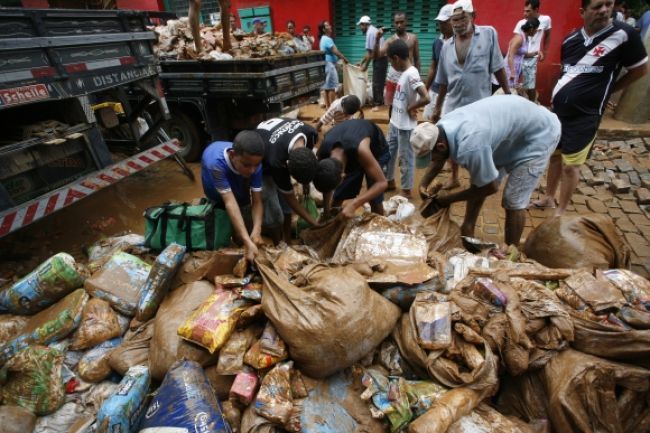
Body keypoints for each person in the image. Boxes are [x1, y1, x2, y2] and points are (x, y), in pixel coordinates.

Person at [532, 0, 648, 215]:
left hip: (587, 114)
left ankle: (562, 211)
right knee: (555, 156)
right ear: (582, 12)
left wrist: (610, 89)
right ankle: (548, 197)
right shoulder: (571, 39)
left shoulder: (624, 34)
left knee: (571, 164)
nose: (604, 10)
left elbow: (640, 70)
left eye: (608, 4)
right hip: (560, 111)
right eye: (597, 6)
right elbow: (568, 72)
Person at [411, 95, 560, 247]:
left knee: (513, 200)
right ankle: (467, 228)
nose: (432, 161)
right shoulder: (441, 128)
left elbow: (489, 187)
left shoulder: (471, 146)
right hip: (512, 132)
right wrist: (423, 184)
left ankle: (511, 253)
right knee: (480, 176)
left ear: (440, 146)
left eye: (431, 157)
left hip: (541, 134)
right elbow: (442, 159)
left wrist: (447, 199)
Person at [433, 0, 511, 191]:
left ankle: (479, 177)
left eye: (462, 18)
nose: (457, 23)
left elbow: (498, 67)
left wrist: (508, 93)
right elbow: (443, 81)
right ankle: (454, 176)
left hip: (479, 103)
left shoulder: (488, 34)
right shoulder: (446, 46)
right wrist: (437, 107)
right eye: (454, 20)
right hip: (453, 103)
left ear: (473, 16)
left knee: (479, 141)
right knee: (451, 140)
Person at [201, 131, 265, 261]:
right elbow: (229, 202)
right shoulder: (216, 165)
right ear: (232, 155)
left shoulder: (253, 162)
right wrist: (247, 240)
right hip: (216, 193)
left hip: (239, 186)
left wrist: (257, 229)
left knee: (246, 226)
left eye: (256, 165)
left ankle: (243, 248)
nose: (253, 170)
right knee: (219, 230)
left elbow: (257, 201)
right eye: (247, 165)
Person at [256, 118, 321, 243]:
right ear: (288, 168)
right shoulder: (275, 161)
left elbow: (307, 165)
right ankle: (277, 243)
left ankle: (287, 240)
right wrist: (313, 222)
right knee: (274, 210)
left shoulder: (311, 133)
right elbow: (291, 199)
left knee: (286, 209)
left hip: (277, 140)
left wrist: (306, 183)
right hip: (263, 161)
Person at [314, 119, 390, 218]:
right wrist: (327, 211)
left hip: (375, 149)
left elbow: (382, 183)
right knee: (339, 195)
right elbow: (325, 186)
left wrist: (355, 204)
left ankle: (379, 228)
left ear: (343, 176)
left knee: (374, 199)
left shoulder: (361, 150)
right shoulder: (323, 153)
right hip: (351, 145)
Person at [384, 39, 430, 198]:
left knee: (406, 158)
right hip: (395, 122)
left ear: (396, 58)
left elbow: (426, 97)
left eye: (391, 61)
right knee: (389, 153)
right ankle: (389, 181)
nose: (391, 64)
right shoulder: (404, 73)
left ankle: (406, 190)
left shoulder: (412, 74)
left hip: (405, 127)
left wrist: (411, 108)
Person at [374, 12, 422, 123]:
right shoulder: (390, 40)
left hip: (409, 77)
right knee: (392, 105)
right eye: (397, 22)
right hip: (393, 78)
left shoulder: (413, 38)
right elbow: (377, 55)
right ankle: (392, 126)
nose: (399, 25)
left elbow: (417, 59)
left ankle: (408, 127)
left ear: (406, 22)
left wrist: (418, 78)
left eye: (401, 22)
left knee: (410, 104)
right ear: (394, 24)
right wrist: (377, 40)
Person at [512, 0, 552, 102]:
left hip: (532, 58)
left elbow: (548, 35)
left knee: (530, 86)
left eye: (528, 11)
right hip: (519, 58)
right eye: (524, 11)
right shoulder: (521, 23)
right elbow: (514, 44)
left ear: (536, 9)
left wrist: (545, 51)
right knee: (514, 83)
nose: (524, 14)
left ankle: (532, 105)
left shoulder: (546, 20)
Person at [424, 4, 454, 120]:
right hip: (435, 90)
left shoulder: (459, 44)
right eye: (440, 22)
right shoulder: (437, 42)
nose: (441, 25)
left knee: (444, 124)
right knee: (430, 121)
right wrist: (426, 89)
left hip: (450, 94)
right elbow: (433, 67)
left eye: (444, 22)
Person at [357, 16, 388, 110]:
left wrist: (365, 66)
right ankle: (379, 101)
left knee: (377, 83)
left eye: (361, 25)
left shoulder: (370, 33)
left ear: (365, 24)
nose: (360, 27)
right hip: (381, 59)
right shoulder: (373, 30)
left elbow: (370, 54)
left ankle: (378, 104)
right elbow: (369, 52)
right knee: (379, 81)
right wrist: (361, 62)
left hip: (380, 59)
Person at [319, 20, 349, 109]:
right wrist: (344, 58)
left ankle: (328, 109)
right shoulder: (327, 39)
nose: (330, 26)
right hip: (329, 65)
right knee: (331, 87)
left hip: (326, 64)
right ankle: (332, 109)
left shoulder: (323, 38)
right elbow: (335, 51)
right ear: (324, 29)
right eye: (327, 26)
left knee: (326, 87)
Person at [505, 18, 541, 90]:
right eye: (536, 29)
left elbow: (523, 54)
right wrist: (512, 72)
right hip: (509, 69)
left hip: (516, 69)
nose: (536, 31)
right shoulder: (519, 38)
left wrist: (536, 53)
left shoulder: (526, 38)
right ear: (531, 29)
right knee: (508, 92)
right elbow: (510, 56)